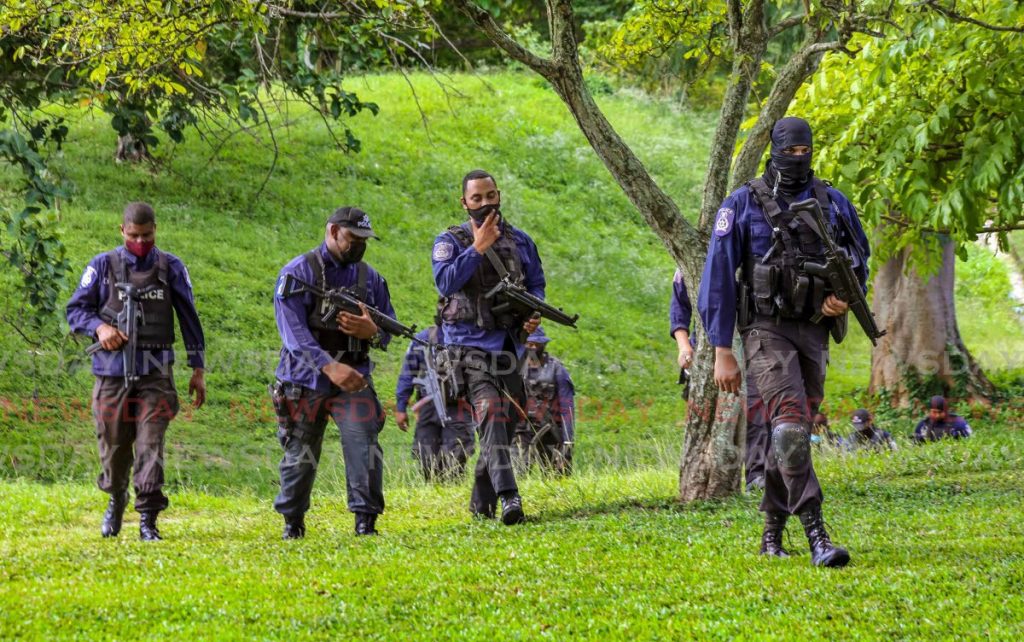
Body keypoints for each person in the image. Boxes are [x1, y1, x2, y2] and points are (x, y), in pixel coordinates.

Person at [697, 116, 870, 568]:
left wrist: (843, 299)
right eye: (790, 151)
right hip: (763, 332)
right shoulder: (741, 204)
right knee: (791, 425)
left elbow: (859, 260)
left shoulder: (833, 202)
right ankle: (817, 534)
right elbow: (717, 280)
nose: (798, 158)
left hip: (813, 328)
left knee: (791, 431)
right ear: (773, 149)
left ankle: (772, 533)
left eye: (804, 151)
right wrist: (722, 351)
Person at [66, 202, 207, 541]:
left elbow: (189, 318)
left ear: (155, 230)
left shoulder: (171, 267)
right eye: (134, 236)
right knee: (114, 446)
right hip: (111, 373)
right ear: (122, 231)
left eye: (147, 235)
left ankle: (148, 518)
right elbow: (76, 310)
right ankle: (116, 496)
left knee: (150, 444)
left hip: (156, 373)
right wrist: (100, 328)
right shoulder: (102, 266)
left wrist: (197, 369)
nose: (140, 242)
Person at [270, 206, 395, 539]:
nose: (359, 245)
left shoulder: (371, 280)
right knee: (301, 454)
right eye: (353, 238)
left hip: (352, 380)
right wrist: (328, 366)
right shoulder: (298, 273)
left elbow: (388, 330)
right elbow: (293, 334)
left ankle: (365, 521)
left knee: (363, 443)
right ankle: (292, 522)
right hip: (304, 379)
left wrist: (372, 332)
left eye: (365, 239)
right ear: (332, 231)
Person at [432, 169, 545, 525]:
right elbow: (445, 281)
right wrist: (477, 249)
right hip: (466, 348)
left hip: (509, 347)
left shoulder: (521, 241)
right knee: (492, 412)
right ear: (463, 202)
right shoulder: (449, 241)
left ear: (499, 195)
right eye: (476, 198)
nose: (485, 203)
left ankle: (481, 504)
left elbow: (537, 285)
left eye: (490, 196)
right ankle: (510, 497)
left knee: (507, 419)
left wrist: (532, 314)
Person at [671, 268, 769, 491]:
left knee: (756, 407)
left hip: (752, 342)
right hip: (709, 350)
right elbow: (679, 308)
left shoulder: (746, 255)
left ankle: (756, 475)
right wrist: (684, 347)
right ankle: (707, 476)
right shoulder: (689, 265)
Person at [394, 302, 475, 482]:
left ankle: (453, 496)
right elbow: (408, 372)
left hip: (458, 407)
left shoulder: (470, 339)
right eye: (442, 303)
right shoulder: (424, 338)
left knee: (455, 459)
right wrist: (401, 407)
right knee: (427, 459)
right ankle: (434, 490)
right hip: (428, 407)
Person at [517, 328, 576, 475]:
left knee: (557, 476)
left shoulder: (557, 369)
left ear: (543, 345)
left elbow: (567, 407)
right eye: (527, 343)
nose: (530, 347)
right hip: (521, 431)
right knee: (518, 475)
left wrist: (567, 441)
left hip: (550, 431)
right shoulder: (516, 368)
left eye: (534, 344)